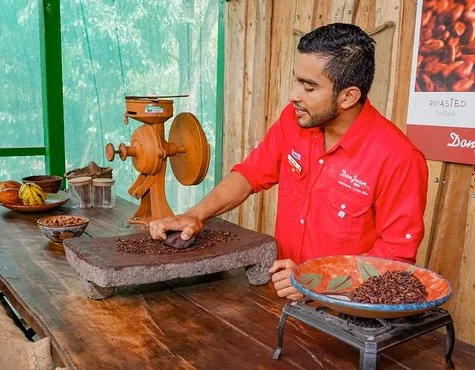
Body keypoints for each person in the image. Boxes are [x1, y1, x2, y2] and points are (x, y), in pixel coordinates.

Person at [149, 23, 428, 300]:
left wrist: (320, 281)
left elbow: (396, 255)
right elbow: (249, 174)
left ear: (348, 96)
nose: (294, 95)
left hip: (345, 309)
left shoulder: (399, 158)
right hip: (283, 292)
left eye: (309, 87)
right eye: (297, 81)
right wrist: (195, 215)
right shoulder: (294, 121)